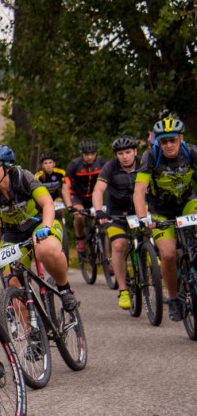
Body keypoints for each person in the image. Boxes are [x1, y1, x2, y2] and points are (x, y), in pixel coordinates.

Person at [0, 144, 78, 312]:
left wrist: (46, 227)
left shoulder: (24, 177)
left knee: (46, 250)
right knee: (13, 283)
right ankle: (30, 328)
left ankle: (64, 288)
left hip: (40, 224)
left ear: (7, 167)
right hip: (13, 234)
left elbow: (47, 203)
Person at [132, 117, 197, 322]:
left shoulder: (191, 152)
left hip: (187, 203)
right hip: (160, 210)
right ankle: (174, 298)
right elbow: (139, 190)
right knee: (168, 255)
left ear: (181, 139)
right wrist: (143, 217)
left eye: (173, 140)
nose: (169, 145)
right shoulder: (151, 156)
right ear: (158, 143)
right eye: (164, 141)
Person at [92, 137, 140, 310]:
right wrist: (99, 210)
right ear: (116, 155)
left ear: (135, 152)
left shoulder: (144, 164)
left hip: (140, 212)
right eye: (120, 153)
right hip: (116, 213)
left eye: (128, 152)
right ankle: (123, 290)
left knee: (149, 239)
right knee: (119, 246)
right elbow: (98, 189)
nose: (125, 156)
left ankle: (150, 267)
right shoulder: (110, 167)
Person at [62, 138, 107, 256]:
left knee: (103, 225)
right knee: (80, 216)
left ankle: (107, 259)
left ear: (96, 153)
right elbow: (65, 187)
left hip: (95, 196)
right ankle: (80, 239)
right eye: (86, 154)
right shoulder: (74, 165)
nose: (90, 157)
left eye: (92, 154)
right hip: (78, 196)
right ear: (81, 153)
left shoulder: (102, 163)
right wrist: (69, 206)